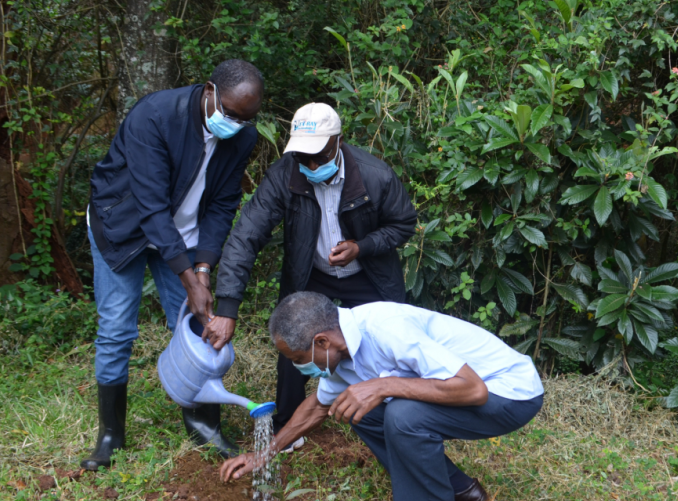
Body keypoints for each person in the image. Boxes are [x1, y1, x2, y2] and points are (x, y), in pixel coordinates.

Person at [81, 59, 264, 470]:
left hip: (182, 234)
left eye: (246, 119)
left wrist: (203, 270)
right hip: (122, 226)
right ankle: (110, 434)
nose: (236, 124)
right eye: (231, 114)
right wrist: (189, 278)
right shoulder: (155, 116)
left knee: (197, 325)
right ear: (209, 90)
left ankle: (203, 423)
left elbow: (222, 205)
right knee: (116, 327)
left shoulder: (242, 136)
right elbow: (151, 207)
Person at [203, 103, 417, 449]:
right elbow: (246, 236)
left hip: (368, 274)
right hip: (311, 273)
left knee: (386, 346)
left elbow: (403, 224)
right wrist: (227, 306)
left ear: (338, 141)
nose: (312, 166)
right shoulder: (284, 176)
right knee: (294, 339)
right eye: (304, 157)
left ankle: (395, 422)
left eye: (319, 156)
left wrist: (361, 247)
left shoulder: (375, 175)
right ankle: (288, 425)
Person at [220, 292, 545, 501]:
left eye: (297, 358)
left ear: (321, 342)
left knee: (403, 415)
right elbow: (318, 407)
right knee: (354, 407)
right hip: (474, 392)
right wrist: (264, 453)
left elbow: (473, 389)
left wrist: (383, 386)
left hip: (510, 393)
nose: (297, 367)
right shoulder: (339, 355)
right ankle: (461, 490)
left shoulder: (387, 328)